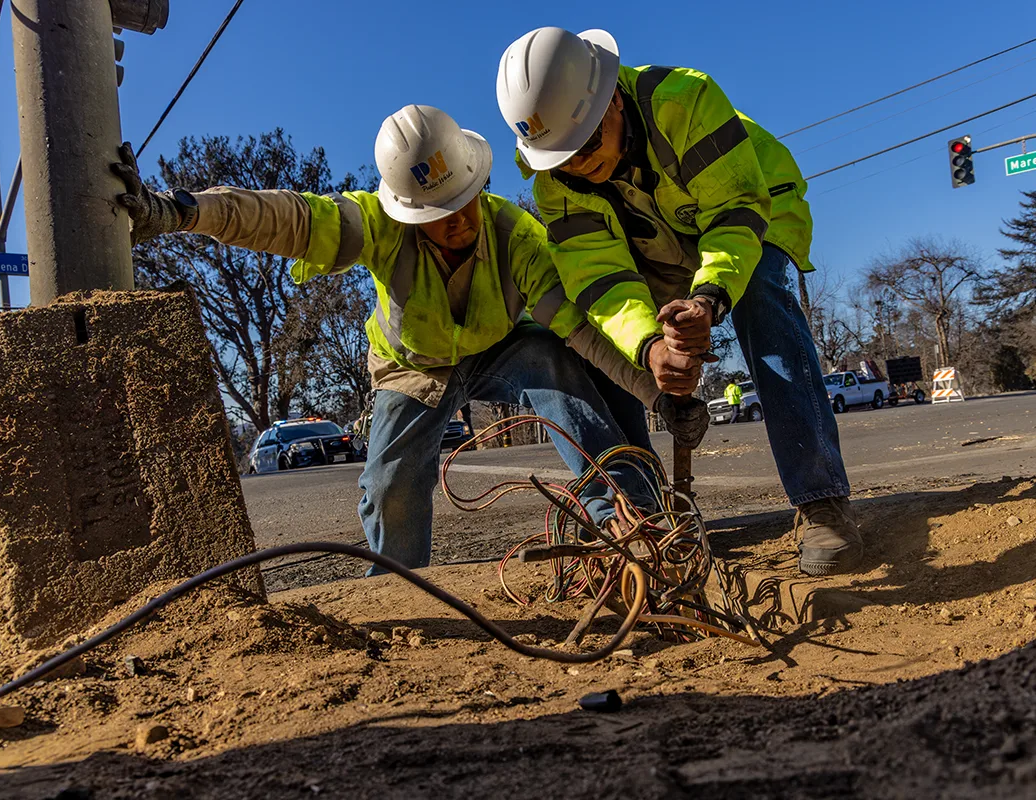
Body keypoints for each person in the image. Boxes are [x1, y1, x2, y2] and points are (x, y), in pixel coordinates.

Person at [114, 104, 707, 574]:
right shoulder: (377, 224)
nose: (455, 223)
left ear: (477, 183)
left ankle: (630, 520)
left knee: (553, 356)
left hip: (501, 349)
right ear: (406, 212)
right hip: (412, 370)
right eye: (434, 214)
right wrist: (179, 211)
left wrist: (661, 395)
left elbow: (584, 333)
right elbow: (288, 218)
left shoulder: (515, 237)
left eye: (461, 204)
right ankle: (400, 589)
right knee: (390, 485)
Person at [496, 28, 862, 575]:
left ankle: (821, 500)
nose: (578, 166)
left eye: (587, 146)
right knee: (604, 337)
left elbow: (736, 213)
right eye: (563, 158)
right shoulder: (558, 179)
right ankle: (644, 511)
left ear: (612, 101)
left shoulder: (683, 102)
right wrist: (650, 351)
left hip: (751, 214)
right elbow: (601, 281)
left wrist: (709, 298)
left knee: (761, 293)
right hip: (656, 250)